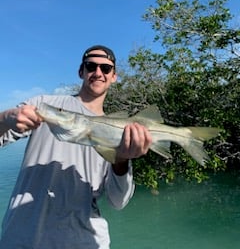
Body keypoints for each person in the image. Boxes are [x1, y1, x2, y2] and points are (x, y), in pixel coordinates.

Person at [0, 45, 152, 249]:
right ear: (81, 71)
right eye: (91, 66)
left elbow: (118, 201)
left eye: (106, 69)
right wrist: (5, 119)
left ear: (114, 76)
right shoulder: (44, 105)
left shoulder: (120, 132)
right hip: (22, 239)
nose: (98, 73)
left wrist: (122, 161)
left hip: (85, 242)